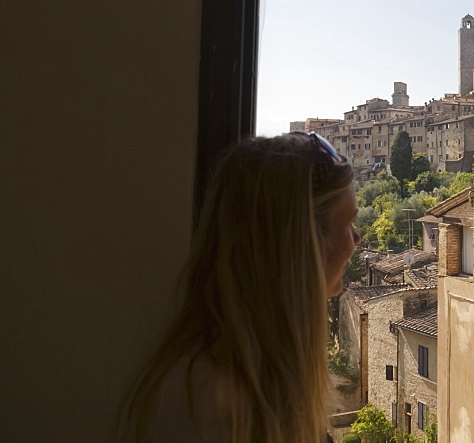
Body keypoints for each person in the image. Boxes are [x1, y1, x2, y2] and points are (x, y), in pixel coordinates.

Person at [117, 132, 360, 442]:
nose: (356, 240)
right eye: (348, 223)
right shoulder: (207, 403)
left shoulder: (252, 379)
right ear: (305, 245)